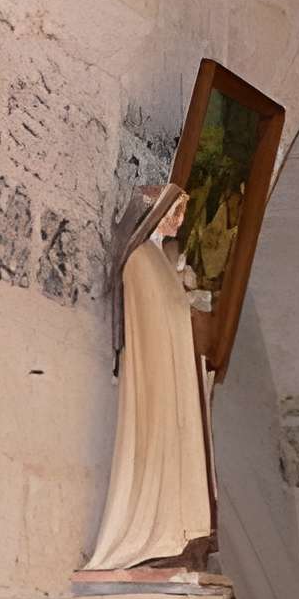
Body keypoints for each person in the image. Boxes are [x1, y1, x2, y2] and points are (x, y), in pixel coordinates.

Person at [78, 182, 219, 579]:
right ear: (155, 213)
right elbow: (150, 326)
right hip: (158, 380)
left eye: (181, 213)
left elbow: (176, 315)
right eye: (174, 212)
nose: (179, 220)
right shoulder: (140, 261)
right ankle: (156, 540)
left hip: (176, 377)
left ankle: (180, 538)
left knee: (182, 455)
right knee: (156, 454)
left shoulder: (161, 259)